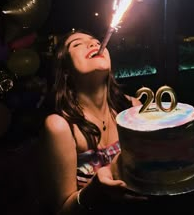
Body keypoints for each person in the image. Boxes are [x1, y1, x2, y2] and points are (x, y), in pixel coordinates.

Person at [38, 29, 145, 215]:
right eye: (77, 44)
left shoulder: (133, 107)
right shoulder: (60, 126)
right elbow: (62, 211)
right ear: (65, 70)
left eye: (96, 41)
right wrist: (94, 192)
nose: (94, 44)